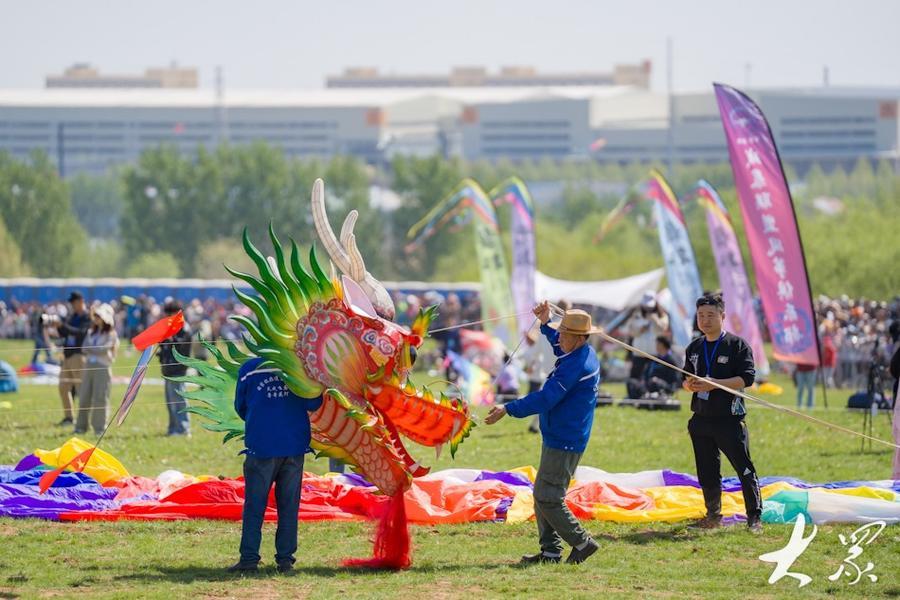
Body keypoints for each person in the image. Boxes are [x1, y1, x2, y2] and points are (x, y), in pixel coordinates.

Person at [485, 301, 601, 565]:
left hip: (565, 439)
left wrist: (508, 408)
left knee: (549, 496)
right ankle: (550, 552)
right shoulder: (582, 352)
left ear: (579, 337)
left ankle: (582, 542)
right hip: (561, 434)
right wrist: (546, 323)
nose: (559, 337)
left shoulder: (576, 365)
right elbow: (559, 346)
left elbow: (546, 398)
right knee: (542, 493)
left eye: (564, 333)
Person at [228, 356, 323, 574]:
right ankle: (285, 560)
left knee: (254, 505)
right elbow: (314, 403)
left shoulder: (249, 369)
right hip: (294, 445)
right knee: (289, 505)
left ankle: (249, 559)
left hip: (261, 446)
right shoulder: (300, 367)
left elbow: (241, 407)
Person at [681, 292, 762, 532]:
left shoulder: (737, 345)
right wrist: (690, 385)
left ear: (722, 316)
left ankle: (754, 517)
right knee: (706, 470)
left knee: (743, 468)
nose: (705, 320)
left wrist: (714, 384)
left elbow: (747, 379)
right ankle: (713, 515)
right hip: (701, 418)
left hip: (729, 419)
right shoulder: (694, 347)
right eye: (701, 315)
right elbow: (685, 379)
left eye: (710, 315)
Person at [75, 303, 118, 436]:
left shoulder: (112, 334)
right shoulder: (91, 332)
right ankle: (81, 426)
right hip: (89, 366)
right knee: (84, 396)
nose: (97, 318)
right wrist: (95, 350)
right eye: (96, 316)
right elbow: (84, 347)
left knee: (100, 398)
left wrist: (93, 349)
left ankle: (99, 427)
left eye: (100, 316)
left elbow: (105, 349)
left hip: (102, 367)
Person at [54, 292, 91, 426]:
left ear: (81, 301)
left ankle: (84, 418)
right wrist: (58, 326)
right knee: (63, 387)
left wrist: (63, 326)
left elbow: (80, 333)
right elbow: (65, 333)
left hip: (78, 356)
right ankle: (69, 417)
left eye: (74, 302)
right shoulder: (72, 316)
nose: (72, 305)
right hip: (67, 356)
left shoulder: (87, 317)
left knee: (81, 389)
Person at [157, 301, 192, 436]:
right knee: (170, 402)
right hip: (167, 370)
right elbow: (164, 347)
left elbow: (181, 348)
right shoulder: (169, 328)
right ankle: (173, 428)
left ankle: (183, 429)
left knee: (179, 401)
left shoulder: (184, 329)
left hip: (178, 370)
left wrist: (171, 339)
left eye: (170, 315)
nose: (167, 318)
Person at [519, 325, 557, 434]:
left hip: (550, 373)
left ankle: (535, 425)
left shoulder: (544, 333)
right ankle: (535, 425)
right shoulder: (546, 333)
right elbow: (535, 353)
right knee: (545, 400)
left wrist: (530, 365)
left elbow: (535, 353)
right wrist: (530, 366)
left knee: (545, 400)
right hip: (553, 373)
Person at [625, 291, 669, 380]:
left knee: (652, 378)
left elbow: (663, 329)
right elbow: (630, 331)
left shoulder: (661, 315)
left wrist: (655, 319)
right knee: (635, 378)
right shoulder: (636, 315)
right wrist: (640, 331)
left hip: (655, 353)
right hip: (638, 352)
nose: (648, 308)